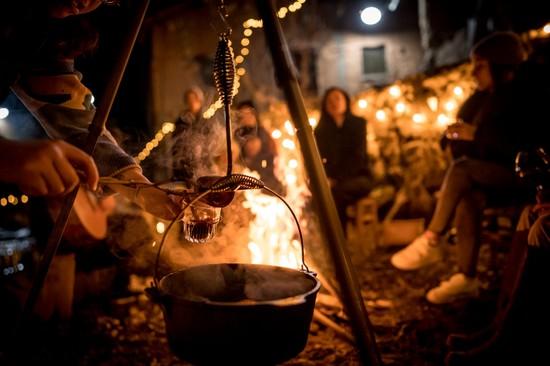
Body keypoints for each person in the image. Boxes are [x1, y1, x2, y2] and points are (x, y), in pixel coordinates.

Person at [390, 32, 538, 304]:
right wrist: (456, 136)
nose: (473, 72)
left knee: (462, 169)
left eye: (480, 65)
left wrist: (477, 135)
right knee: (468, 199)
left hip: (523, 178)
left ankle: (431, 238)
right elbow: (473, 142)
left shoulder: (525, 96)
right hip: (489, 180)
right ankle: (466, 277)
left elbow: (527, 148)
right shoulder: (482, 99)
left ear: (500, 64)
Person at [314, 87, 372, 233]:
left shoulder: (358, 124)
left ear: (346, 100)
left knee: (335, 194)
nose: (334, 103)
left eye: (337, 98)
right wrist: (326, 178)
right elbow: (321, 159)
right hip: (332, 181)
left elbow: (358, 158)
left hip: (359, 178)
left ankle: (340, 239)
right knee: (319, 195)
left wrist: (336, 179)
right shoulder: (321, 130)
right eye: (330, 100)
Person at [235, 100, 284, 194]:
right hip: (247, 183)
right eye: (243, 114)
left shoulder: (262, 133)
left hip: (266, 182)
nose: (246, 117)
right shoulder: (237, 135)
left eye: (249, 113)